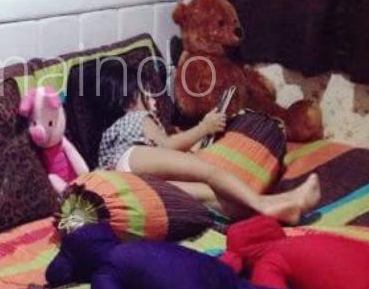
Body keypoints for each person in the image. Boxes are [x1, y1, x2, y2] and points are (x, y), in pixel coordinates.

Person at [96, 62, 321, 224]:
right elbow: (167, 146)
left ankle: (283, 205)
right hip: (132, 162)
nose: (154, 99)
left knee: (215, 197)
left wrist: (195, 143)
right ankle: (264, 204)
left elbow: (165, 151)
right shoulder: (138, 118)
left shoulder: (111, 132)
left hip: (133, 187)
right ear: (129, 96)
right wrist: (204, 127)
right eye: (147, 92)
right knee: (211, 172)